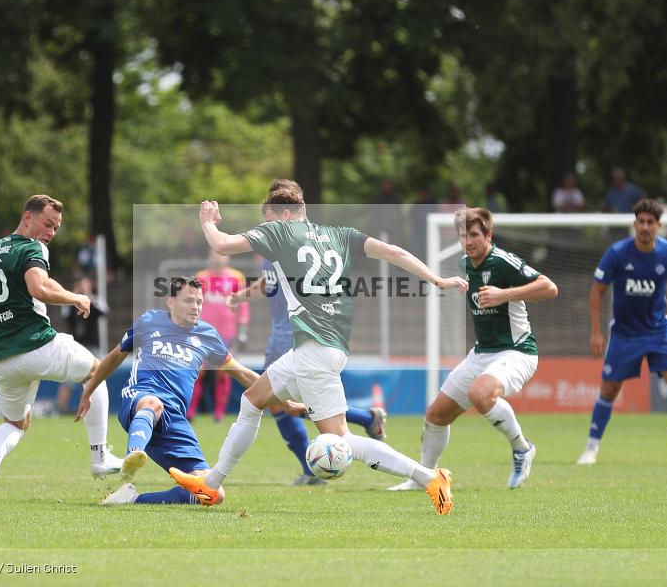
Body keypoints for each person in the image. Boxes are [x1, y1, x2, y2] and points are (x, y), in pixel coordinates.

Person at [167, 185, 467, 515]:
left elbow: (222, 245)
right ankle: (210, 483)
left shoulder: (279, 232)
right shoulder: (341, 234)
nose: (264, 226)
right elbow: (394, 251)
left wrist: (208, 221)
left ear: (284, 214)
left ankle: (428, 477)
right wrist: (436, 279)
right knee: (251, 400)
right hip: (329, 346)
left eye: (267, 218)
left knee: (343, 440)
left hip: (314, 350)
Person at [0, 195, 123, 501]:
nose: (51, 233)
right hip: (36, 345)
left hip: (0, 360)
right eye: (47, 223)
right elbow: (39, 288)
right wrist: (77, 298)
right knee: (97, 371)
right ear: (27, 217)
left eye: (56, 227)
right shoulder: (33, 248)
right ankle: (100, 457)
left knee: (16, 423)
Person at [78, 277, 302, 506]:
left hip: (174, 420)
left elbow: (243, 374)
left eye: (199, 302)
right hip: (140, 399)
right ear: (171, 301)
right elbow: (116, 356)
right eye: (188, 301)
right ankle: (133, 456)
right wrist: (89, 390)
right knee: (153, 404)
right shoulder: (149, 321)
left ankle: (132, 498)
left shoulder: (207, 335)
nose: (195, 307)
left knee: (211, 493)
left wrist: (284, 401)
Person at [225, 181, 388, 485]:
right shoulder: (270, 246)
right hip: (280, 332)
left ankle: (310, 465)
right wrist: (240, 296)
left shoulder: (296, 241)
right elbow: (267, 284)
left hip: (300, 329)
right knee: (286, 403)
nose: (267, 223)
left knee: (277, 402)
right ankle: (365, 419)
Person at [389, 207, 558, 491]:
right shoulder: (465, 264)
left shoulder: (503, 262)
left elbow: (549, 287)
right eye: (463, 235)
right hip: (482, 353)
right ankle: (425, 478)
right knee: (436, 415)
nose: (468, 241)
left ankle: (522, 448)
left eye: (474, 235)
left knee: (480, 394)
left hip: (517, 351)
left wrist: (504, 293)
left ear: (489, 235)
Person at [578, 198, 667, 465]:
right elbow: (597, 291)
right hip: (625, 334)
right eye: (641, 222)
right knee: (610, 388)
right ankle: (591, 449)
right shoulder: (617, 253)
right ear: (635, 224)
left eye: (650, 222)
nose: (645, 227)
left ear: (658, 226)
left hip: (659, 331)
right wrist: (596, 332)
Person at [186, 249, 250, 422]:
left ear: (227, 257)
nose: (218, 258)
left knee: (224, 372)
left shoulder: (237, 277)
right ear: (209, 257)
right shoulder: (201, 277)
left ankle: (219, 414)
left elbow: (242, 305)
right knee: (199, 372)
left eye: (221, 254)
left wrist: (243, 330)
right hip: (203, 333)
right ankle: (190, 412)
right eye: (214, 254)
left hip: (227, 333)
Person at [56, 276, 107, 413]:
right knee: (69, 379)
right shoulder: (71, 301)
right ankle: (61, 408)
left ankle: (93, 408)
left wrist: (88, 297)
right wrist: (74, 297)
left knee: (96, 378)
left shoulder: (96, 299)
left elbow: (103, 312)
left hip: (92, 345)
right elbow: (65, 316)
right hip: (76, 345)